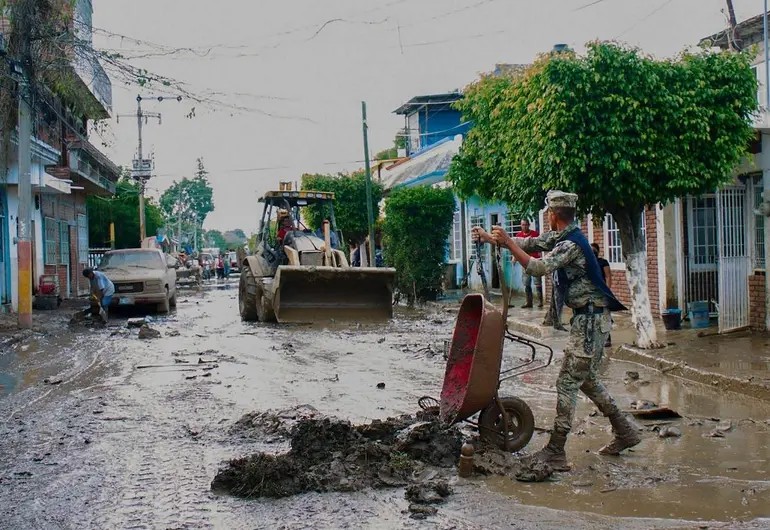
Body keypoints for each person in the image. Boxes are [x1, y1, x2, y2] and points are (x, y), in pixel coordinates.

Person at [472, 190, 640, 471]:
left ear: (553, 214)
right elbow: (533, 243)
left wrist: (509, 242)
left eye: (547, 212)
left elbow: (538, 267)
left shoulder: (570, 245)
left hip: (590, 321)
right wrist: (493, 239)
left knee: (567, 382)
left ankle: (556, 451)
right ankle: (625, 431)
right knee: (586, 380)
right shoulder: (564, 236)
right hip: (588, 319)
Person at [514, 219, 543, 308]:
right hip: (524, 262)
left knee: (537, 282)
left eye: (526, 224)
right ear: (521, 225)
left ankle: (540, 301)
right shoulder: (518, 236)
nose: (524, 226)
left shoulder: (535, 234)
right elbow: (516, 249)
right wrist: (514, 257)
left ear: (529, 225)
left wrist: (540, 256)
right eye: (523, 225)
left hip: (535, 261)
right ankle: (529, 302)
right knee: (526, 283)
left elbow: (540, 246)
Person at [592, 243, 613, 347]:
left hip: (601, 292)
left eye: (594, 250)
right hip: (590, 293)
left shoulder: (603, 262)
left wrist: (607, 290)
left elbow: (608, 276)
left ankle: (607, 338)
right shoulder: (586, 262)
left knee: (604, 315)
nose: (592, 252)